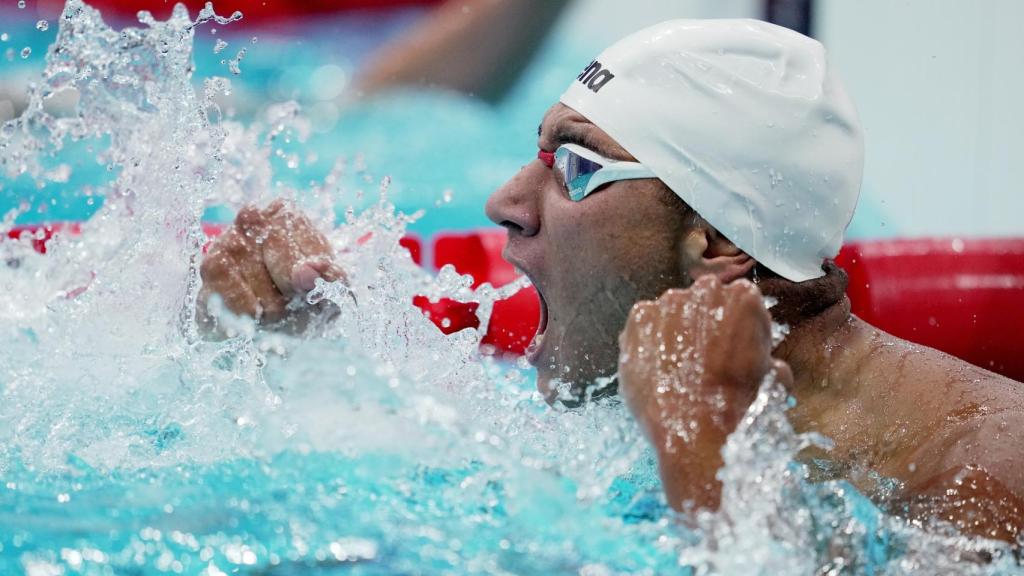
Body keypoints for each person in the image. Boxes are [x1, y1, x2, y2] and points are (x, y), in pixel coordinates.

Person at [198, 19, 1024, 544]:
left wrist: (702, 452)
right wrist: (260, 357)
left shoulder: (983, 475)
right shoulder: (618, 405)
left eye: (576, 168)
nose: (506, 204)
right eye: (537, 155)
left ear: (719, 243)